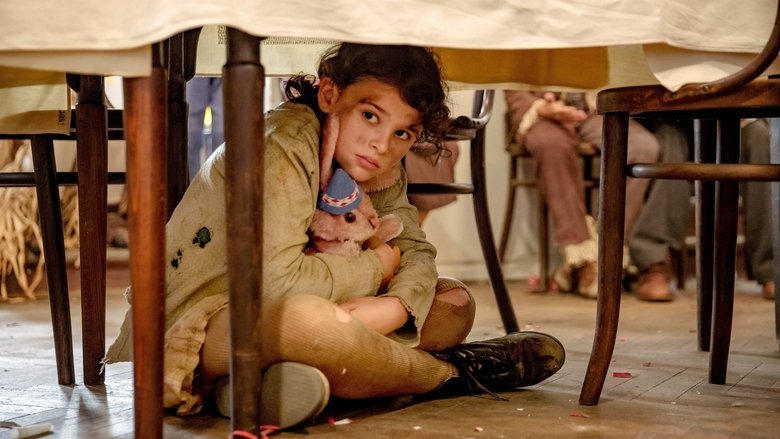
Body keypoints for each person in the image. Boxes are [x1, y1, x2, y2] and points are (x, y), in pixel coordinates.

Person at [104, 43, 565, 430]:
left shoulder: (374, 163)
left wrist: (395, 307)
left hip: (306, 313)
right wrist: (378, 267)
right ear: (329, 94)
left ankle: (263, 384)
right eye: (370, 115)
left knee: (454, 301)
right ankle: (449, 373)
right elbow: (279, 284)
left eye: (403, 132)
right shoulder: (284, 144)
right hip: (201, 321)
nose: (382, 144)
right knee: (307, 324)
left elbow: (415, 249)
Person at [504, 90, 659, 298]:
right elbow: (512, 81)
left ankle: (607, 251)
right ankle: (581, 258)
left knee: (642, 147)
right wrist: (541, 108)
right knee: (551, 144)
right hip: (541, 113)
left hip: (594, 108)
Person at [629, 118, 775, 301]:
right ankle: (653, 262)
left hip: (728, 121)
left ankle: (772, 269)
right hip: (675, 122)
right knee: (670, 136)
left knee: (759, 134)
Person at [186, 77, 224, 181]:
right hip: (196, 75)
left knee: (221, 130)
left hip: (223, 73)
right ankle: (191, 184)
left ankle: (217, 183)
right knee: (191, 132)